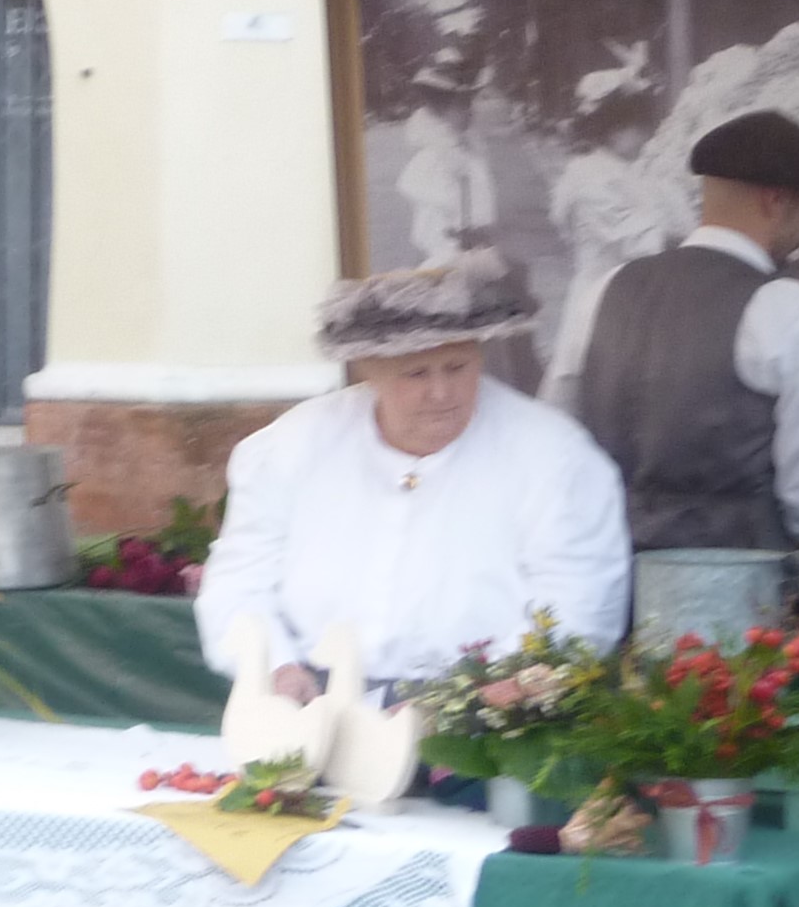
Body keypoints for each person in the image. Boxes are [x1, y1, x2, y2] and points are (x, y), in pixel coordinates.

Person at [197, 253, 631, 700]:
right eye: (416, 374)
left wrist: (485, 697)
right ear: (369, 370)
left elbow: (581, 605)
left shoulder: (554, 456)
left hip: (481, 714)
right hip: (309, 708)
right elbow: (240, 581)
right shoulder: (292, 446)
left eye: (457, 367)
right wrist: (275, 668)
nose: (441, 392)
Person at [561, 109, 799, 552]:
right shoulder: (793, 310)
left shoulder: (606, 289)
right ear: (775, 201)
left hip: (610, 572)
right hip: (741, 580)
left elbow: (558, 433)